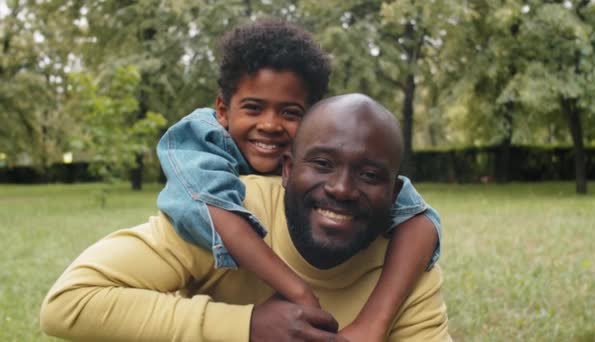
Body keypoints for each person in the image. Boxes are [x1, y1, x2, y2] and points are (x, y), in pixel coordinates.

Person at [40, 94, 451, 341]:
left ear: (395, 193)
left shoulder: (406, 262)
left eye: (370, 175)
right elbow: (69, 303)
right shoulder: (223, 214)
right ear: (287, 169)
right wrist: (246, 327)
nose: (342, 189)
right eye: (322, 163)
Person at [155, 20, 441, 340]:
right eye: (254, 108)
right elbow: (216, 212)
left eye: (290, 113)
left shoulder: (324, 163)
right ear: (222, 109)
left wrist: (373, 323)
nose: (270, 125)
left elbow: (418, 219)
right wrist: (299, 292)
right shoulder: (200, 141)